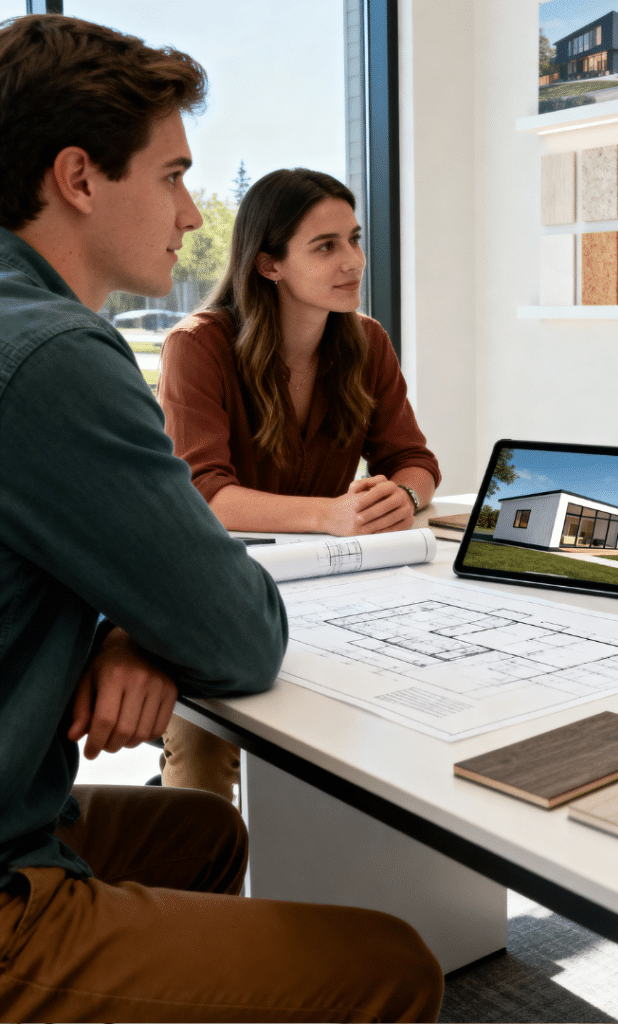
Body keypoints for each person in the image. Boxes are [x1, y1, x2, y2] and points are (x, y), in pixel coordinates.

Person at [0, 13, 442, 1021]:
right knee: (394, 966)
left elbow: (411, 459)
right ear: (78, 178)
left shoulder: (359, 343)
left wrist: (132, 617)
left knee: (202, 834)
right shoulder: (63, 353)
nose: (190, 214)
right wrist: (161, 607)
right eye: (170, 176)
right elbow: (238, 631)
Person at [156, 167, 441, 799]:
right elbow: (206, 497)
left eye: (355, 239)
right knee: (204, 745)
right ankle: (193, 885)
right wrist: (332, 515)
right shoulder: (197, 346)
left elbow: (415, 459)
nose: (354, 261)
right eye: (326, 246)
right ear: (268, 265)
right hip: (219, 591)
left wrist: (406, 494)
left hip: (336, 590)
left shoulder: (368, 343)